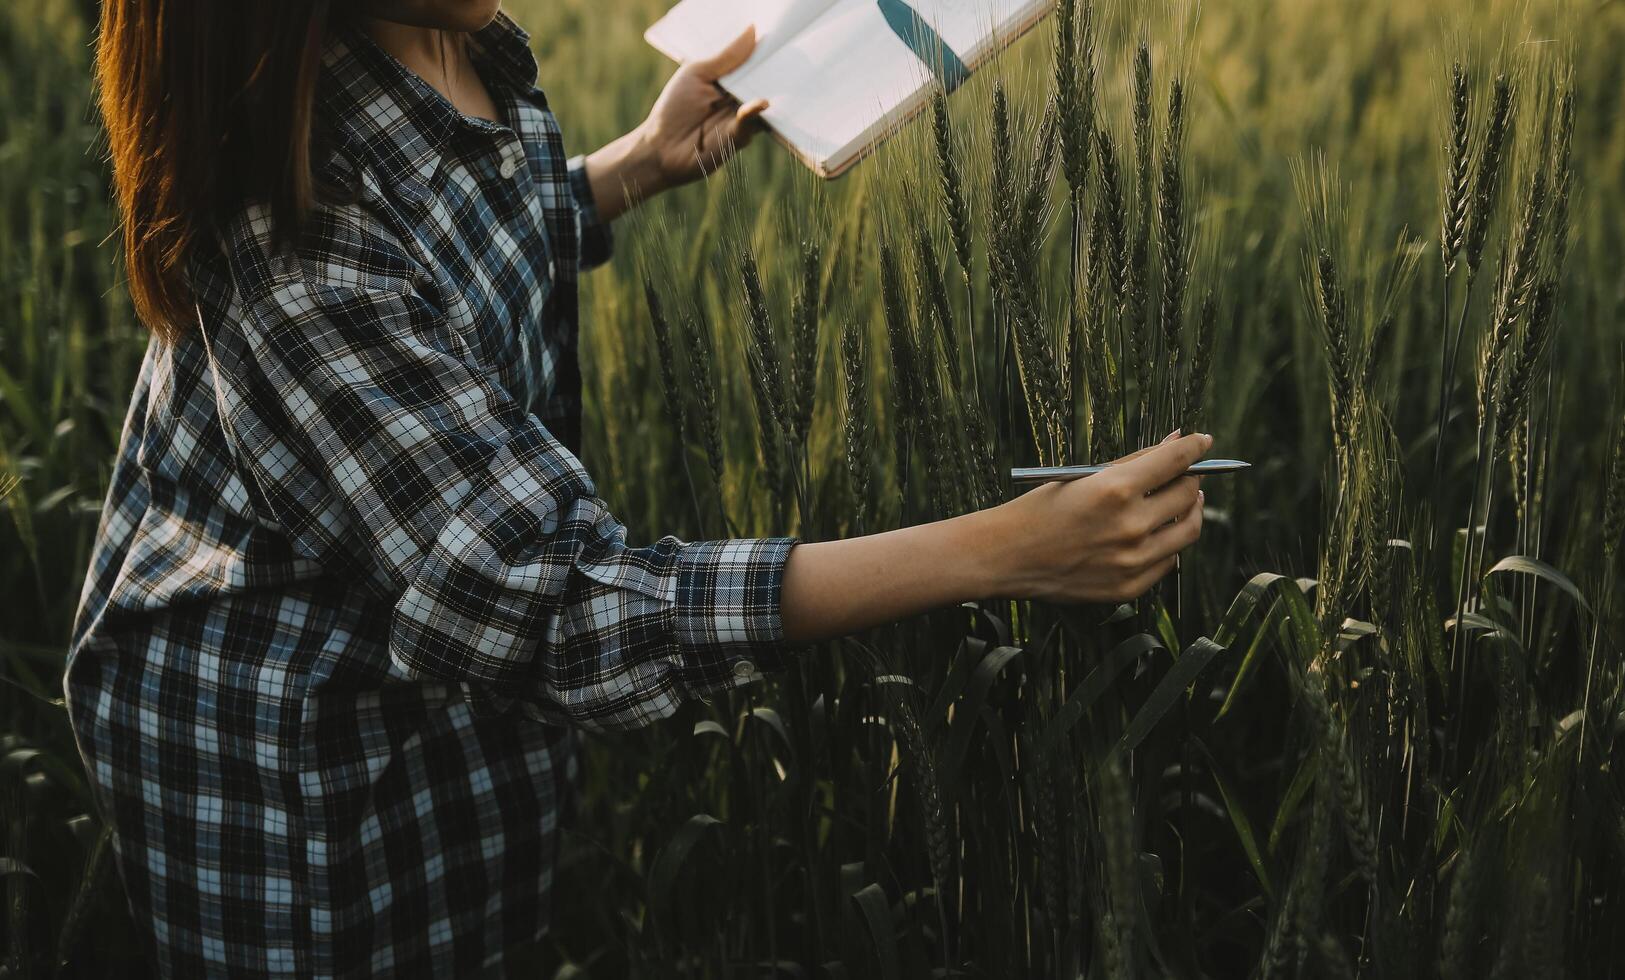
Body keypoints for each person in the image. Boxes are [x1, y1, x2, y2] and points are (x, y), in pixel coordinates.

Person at [63, 1, 1211, 975]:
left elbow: (450, 272)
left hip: (442, 687)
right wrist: (1000, 550)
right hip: (293, 771)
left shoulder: (456, 42)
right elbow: (557, 600)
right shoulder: (291, 237)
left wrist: (629, 168)